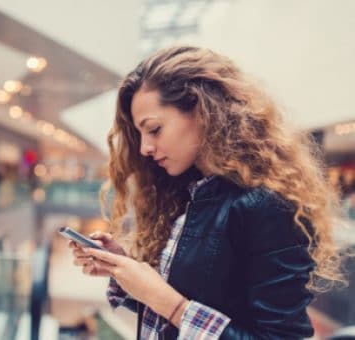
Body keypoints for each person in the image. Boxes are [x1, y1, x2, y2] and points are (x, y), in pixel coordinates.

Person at [69, 46, 346, 339]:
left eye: (154, 129)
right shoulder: (190, 193)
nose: (144, 148)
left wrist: (166, 302)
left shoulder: (265, 204)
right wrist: (124, 270)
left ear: (202, 111)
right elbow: (192, 309)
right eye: (139, 134)